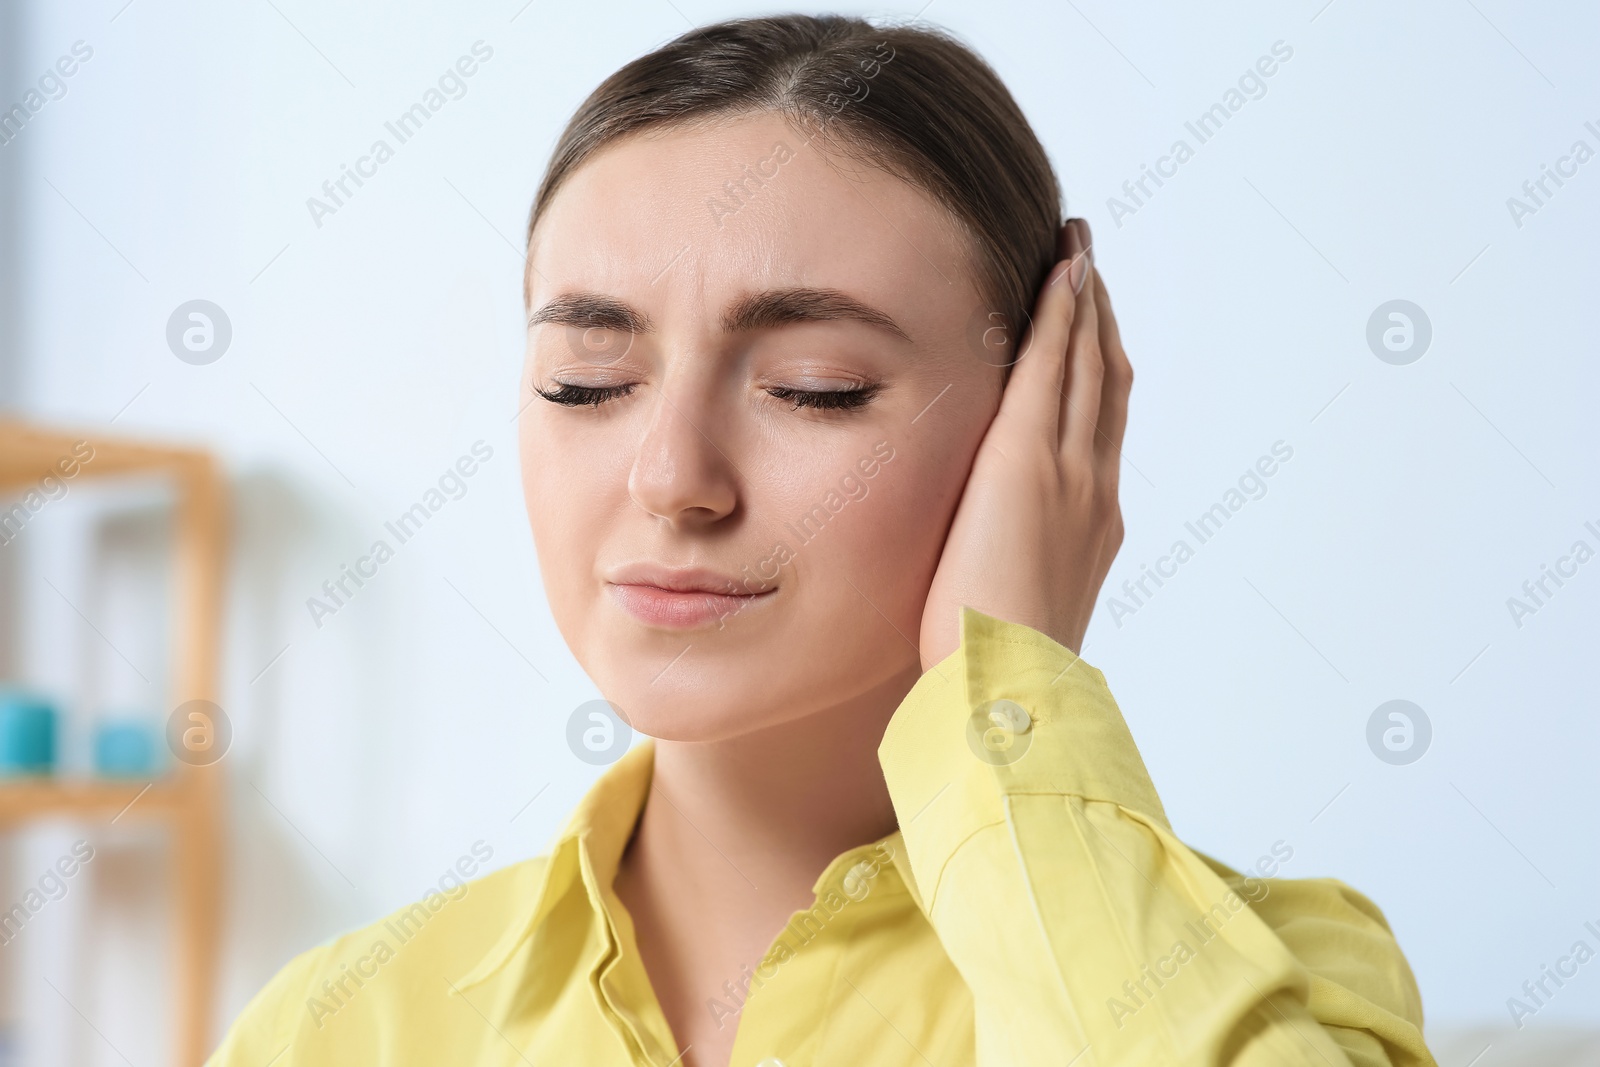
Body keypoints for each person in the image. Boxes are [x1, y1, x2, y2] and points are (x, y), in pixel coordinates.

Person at [212, 14, 1435, 1066]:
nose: (672, 476)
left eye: (813, 386)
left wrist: (1000, 695)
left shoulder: (1288, 972)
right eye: (587, 382)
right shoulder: (338, 1023)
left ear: (1042, 421)